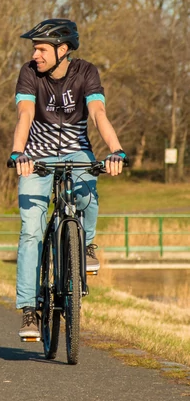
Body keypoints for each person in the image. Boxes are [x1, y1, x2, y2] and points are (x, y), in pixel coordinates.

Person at [8, 18, 127, 339]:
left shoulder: (86, 72)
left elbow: (98, 113)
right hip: (36, 156)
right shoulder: (29, 73)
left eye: (41, 49)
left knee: (88, 194)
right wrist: (19, 153)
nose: (35, 55)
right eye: (34, 49)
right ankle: (29, 309)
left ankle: (86, 245)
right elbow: (25, 114)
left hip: (77, 152)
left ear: (62, 50)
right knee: (31, 231)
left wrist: (116, 151)